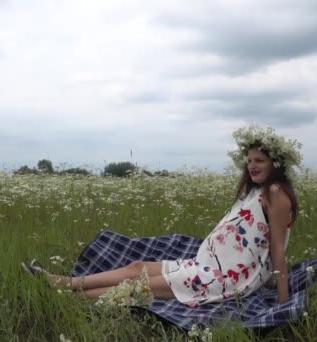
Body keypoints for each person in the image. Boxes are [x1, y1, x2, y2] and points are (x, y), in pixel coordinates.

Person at [22, 124, 302, 306]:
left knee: (135, 286)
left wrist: (282, 299)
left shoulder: (276, 194)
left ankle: (67, 301)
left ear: (275, 163)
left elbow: (277, 248)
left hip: (224, 278)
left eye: (260, 160)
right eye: (249, 160)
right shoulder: (255, 191)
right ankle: (62, 282)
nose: (252, 166)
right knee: (136, 267)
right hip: (205, 264)